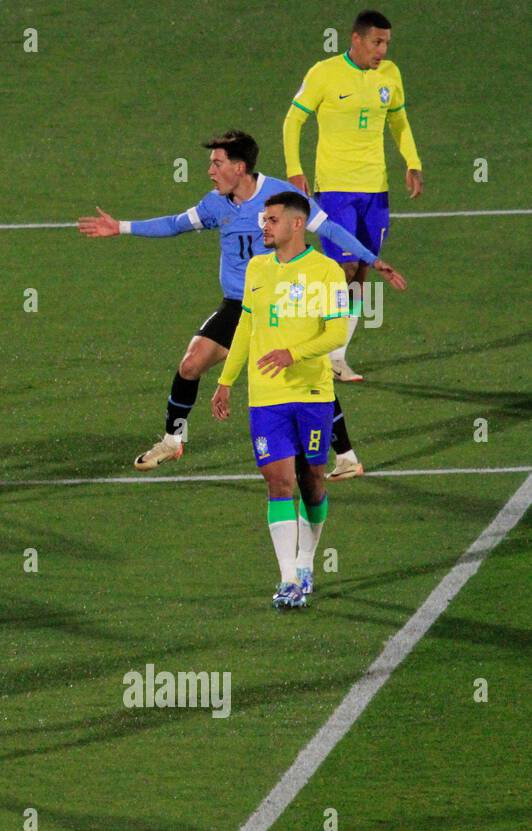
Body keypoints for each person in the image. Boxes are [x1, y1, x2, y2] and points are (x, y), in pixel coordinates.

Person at [79, 130, 403, 481]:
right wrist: (120, 227)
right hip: (237, 305)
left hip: (281, 308)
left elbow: (330, 229)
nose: (210, 171)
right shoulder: (215, 204)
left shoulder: (283, 198)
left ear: (240, 167)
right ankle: (173, 441)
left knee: (306, 379)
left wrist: (373, 259)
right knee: (190, 365)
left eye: (217, 164)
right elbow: (174, 225)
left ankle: (346, 457)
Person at [210, 192, 349, 609]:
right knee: (278, 481)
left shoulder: (328, 271)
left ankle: (307, 561)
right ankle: (288, 578)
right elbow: (246, 328)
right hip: (267, 396)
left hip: (311, 392)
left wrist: (293, 353)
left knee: (312, 482)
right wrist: (225, 380)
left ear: (296, 224)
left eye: (271, 220)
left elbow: (337, 332)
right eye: (262, 220)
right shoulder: (256, 268)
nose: (263, 227)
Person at [283, 8, 423, 382]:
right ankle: (316, 346)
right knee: (341, 269)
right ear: (356, 39)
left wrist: (412, 160)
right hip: (336, 188)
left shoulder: (390, 75)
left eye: (387, 44)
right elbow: (293, 120)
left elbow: (398, 120)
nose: (382, 50)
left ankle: (337, 356)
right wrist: (294, 170)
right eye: (376, 42)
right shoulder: (324, 73)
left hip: (375, 189)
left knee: (362, 269)